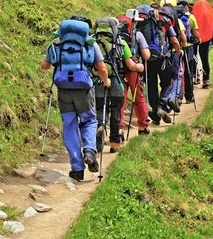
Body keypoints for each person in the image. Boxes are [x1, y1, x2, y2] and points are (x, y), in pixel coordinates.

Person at [40, 15, 110, 182]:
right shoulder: (90, 43)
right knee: (89, 121)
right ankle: (90, 152)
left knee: (70, 125)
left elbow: (44, 66)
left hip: (63, 89)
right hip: (84, 90)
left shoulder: (56, 43)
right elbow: (101, 67)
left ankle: (77, 169)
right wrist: (106, 81)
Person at [93, 17, 144, 154]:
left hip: (98, 80)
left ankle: (101, 128)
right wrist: (139, 67)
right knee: (116, 111)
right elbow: (130, 65)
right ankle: (114, 144)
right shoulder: (120, 43)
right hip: (116, 81)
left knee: (99, 109)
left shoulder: (93, 43)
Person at [136, 3, 183, 125]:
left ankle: (156, 112)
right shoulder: (164, 20)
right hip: (163, 58)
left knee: (151, 85)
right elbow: (174, 40)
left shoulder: (140, 22)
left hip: (147, 59)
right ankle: (162, 105)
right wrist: (179, 51)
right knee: (167, 82)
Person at [118, 9, 151, 136]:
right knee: (138, 98)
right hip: (133, 70)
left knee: (121, 99)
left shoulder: (116, 35)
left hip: (119, 70)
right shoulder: (138, 35)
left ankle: (119, 128)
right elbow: (146, 55)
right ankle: (142, 126)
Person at [177, 0, 201, 103]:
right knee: (188, 72)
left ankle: (178, 96)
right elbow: (195, 33)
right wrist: (199, 39)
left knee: (178, 71)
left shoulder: (175, 17)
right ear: (186, 6)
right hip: (189, 47)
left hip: (177, 47)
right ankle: (189, 97)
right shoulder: (191, 17)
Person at [191, 1, 213, 89]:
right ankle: (206, 80)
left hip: (194, 38)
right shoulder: (209, 14)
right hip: (206, 39)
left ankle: (195, 76)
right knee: (205, 59)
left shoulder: (194, 14)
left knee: (193, 57)